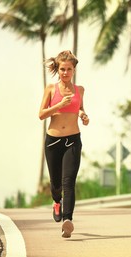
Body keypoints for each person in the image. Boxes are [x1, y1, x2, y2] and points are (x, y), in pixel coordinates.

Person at [39, 50, 89, 238]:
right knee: (56, 184)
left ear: (74, 70)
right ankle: (56, 201)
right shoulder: (51, 89)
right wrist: (59, 105)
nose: (65, 72)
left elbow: (79, 108)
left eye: (69, 69)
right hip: (53, 141)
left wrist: (83, 115)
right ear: (58, 70)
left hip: (73, 140)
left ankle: (67, 220)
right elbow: (41, 114)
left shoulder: (80, 90)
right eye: (62, 69)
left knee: (69, 182)